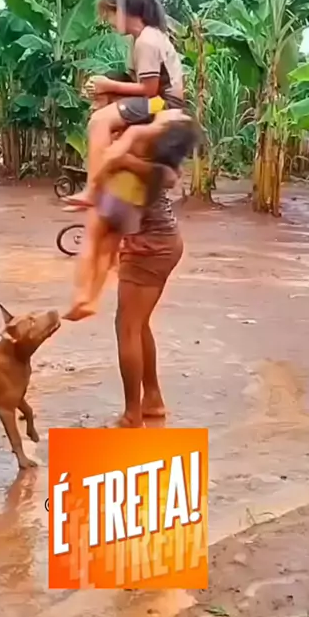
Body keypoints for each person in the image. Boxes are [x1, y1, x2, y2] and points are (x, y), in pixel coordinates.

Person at [63, 78, 191, 322]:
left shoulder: (128, 132)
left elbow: (113, 160)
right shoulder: (152, 131)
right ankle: (91, 299)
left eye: (100, 101)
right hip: (135, 208)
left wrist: (93, 188)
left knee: (91, 242)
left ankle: (82, 296)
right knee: (107, 252)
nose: (96, 108)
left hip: (121, 202)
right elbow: (172, 175)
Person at [65, 0, 187, 210]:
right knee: (108, 124)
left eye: (109, 14)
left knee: (99, 122)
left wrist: (108, 85)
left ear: (122, 11)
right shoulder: (143, 37)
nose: (108, 21)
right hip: (160, 100)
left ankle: (93, 189)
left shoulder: (147, 41)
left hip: (162, 103)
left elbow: (149, 90)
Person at [114, 167, 184, 428]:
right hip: (160, 238)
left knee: (127, 326)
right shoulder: (146, 150)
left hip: (148, 246)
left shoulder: (129, 152)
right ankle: (152, 399)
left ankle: (132, 415)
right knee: (137, 323)